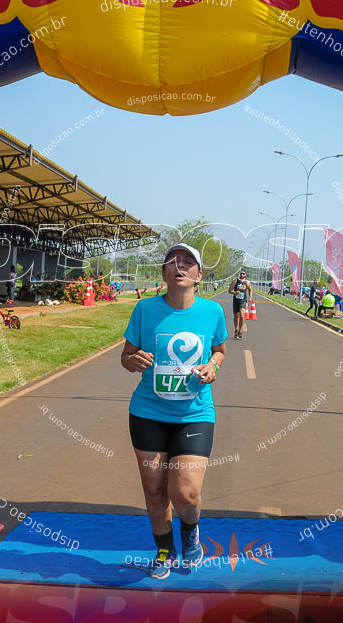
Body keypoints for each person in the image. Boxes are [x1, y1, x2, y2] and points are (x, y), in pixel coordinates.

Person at [120, 243, 226, 579]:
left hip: (194, 414)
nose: (179, 267)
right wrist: (132, 361)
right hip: (148, 413)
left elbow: (220, 349)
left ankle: (190, 532)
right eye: (172, 262)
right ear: (164, 273)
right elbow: (127, 356)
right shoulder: (144, 309)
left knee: (184, 492)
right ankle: (164, 550)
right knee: (154, 489)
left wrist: (213, 366)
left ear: (199, 274)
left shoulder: (212, 312)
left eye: (187, 262)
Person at [227, 270, 252, 339]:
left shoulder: (247, 282)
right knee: (236, 316)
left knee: (242, 315)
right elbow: (229, 291)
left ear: (245, 275)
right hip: (236, 301)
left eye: (243, 274)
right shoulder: (235, 282)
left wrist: (250, 297)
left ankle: (240, 331)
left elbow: (250, 290)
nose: (242, 275)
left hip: (243, 301)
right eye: (241, 274)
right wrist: (235, 292)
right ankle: (236, 330)